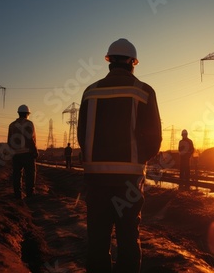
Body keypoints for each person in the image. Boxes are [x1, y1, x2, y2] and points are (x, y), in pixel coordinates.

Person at [77, 38, 162, 272]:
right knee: (127, 238)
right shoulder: (144, 91)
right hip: (129, 182)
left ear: (109, 62)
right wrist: (139, 161)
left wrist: (92, 160)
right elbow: (154, 138)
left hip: (96, 181)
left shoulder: (90, 91)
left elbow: (82, 134)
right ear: (133, 63)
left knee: (97, 239)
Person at [8, 104, 38, 199]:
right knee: (30, 174)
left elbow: (9, 141)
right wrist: (35, 151)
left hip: (16, 155)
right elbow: (30, 139)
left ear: (19, 113)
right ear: (27, 114)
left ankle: (18, 194)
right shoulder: (29, 124)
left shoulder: (12, 125)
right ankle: (30, 194)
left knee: (17, 175)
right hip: (27, 154)